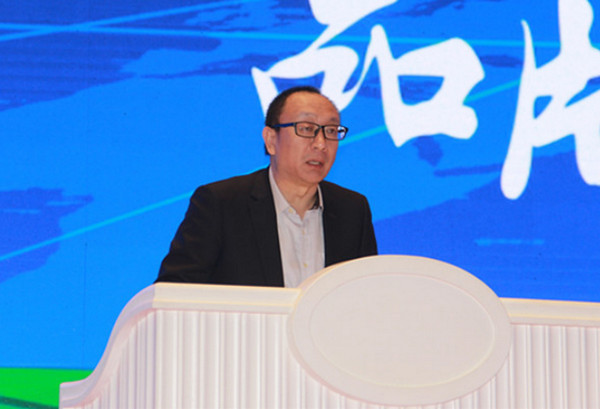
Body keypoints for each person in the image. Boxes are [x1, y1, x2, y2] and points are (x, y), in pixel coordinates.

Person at [155, 86, 377, 287]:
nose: (321, 144)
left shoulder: (352, 210)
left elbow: (368, 295)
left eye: (331, 131)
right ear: (271, 140)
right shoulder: (221, 204)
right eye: (307, 128)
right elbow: (173, 291)